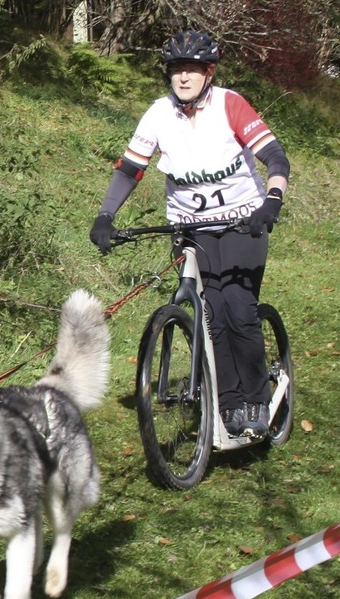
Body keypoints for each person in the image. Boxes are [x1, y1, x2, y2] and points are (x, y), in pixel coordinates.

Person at [89, 29, 290, 439]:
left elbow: (274, 156)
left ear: (208, 72)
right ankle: (228, 404)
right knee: (211, 317)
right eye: (176, 70)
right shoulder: (159, 114)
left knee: (236, 308)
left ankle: (255, 399)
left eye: (192, 70)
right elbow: (131, 168)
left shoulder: (229, 105)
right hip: (190, 227)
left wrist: (272, 200)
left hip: (242, 223)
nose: (183, 78)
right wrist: (105, 215)